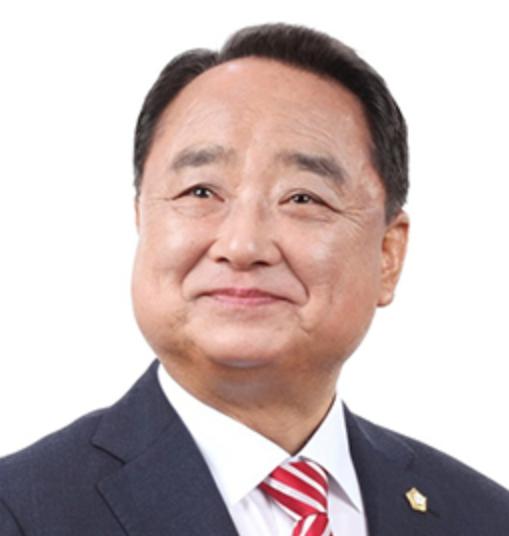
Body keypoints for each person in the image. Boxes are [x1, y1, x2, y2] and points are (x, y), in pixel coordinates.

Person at [0, 22, 507, 536]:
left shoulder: (483, 516)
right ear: (142, 221)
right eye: (200, 192)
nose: (243, 246)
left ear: (387, 254)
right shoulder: (21, 511)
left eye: (303, 198)